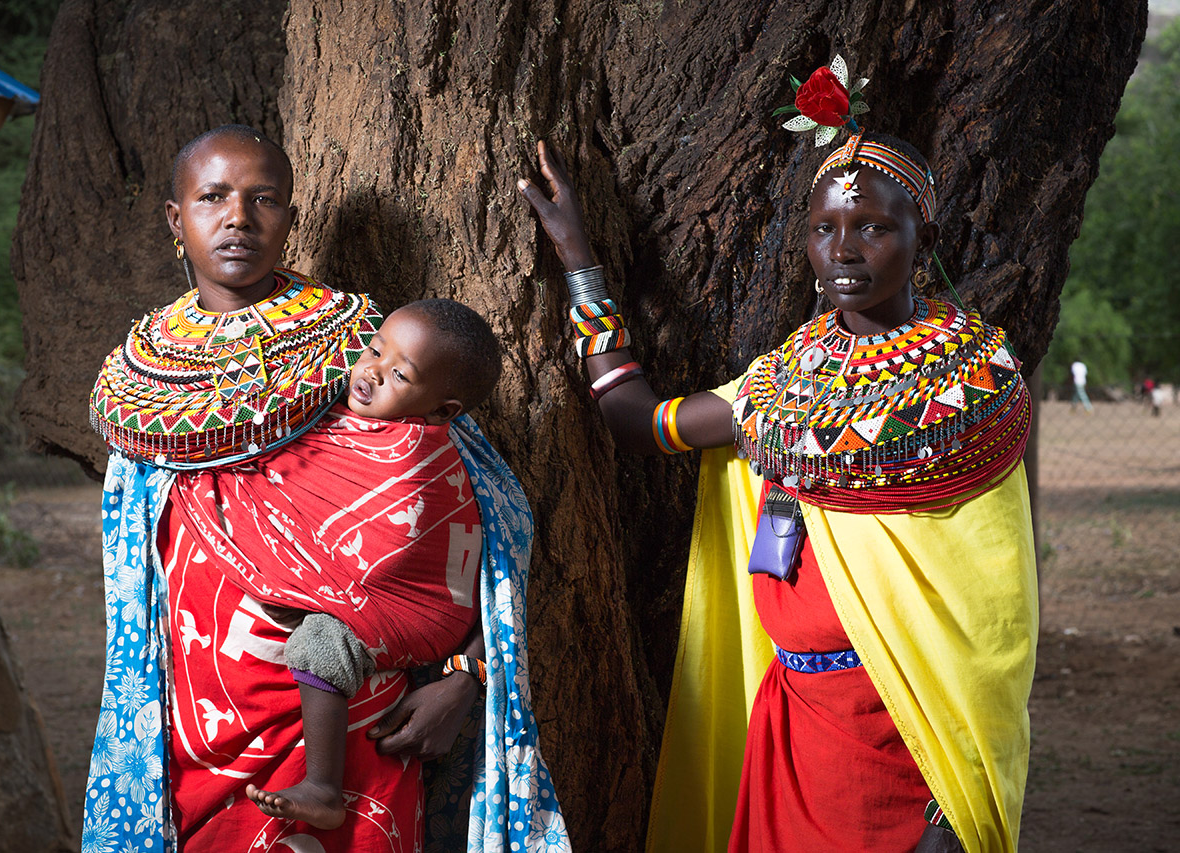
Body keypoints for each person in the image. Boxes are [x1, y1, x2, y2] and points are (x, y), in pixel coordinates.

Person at [518, 65, 1036, 853]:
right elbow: (638, 420)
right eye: (825, 228)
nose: (843, 250)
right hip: (791, 719)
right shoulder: (784, 379)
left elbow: (992, 622)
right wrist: (578, 259)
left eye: (872, 226)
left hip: (905, 735)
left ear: (923, 237)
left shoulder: (973, 384)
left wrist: (950, 808)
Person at [86, 124, 569, 853]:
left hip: (345, 701)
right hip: (194, 705)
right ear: (174, 218)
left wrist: (467, 670)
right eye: (213, 196)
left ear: (291, 218)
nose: (238, 217)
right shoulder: (143, 380)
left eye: (265, 199)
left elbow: (480, 522)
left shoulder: (360, 346)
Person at [240, 298, 502, 830]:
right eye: (374, 351)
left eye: (399, 374)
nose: (371, 373)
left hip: (420, 609)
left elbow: (394, 542)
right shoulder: (325, 411)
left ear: (442, 411)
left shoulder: (420, 453)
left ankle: (322, 786)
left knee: (321, 640)